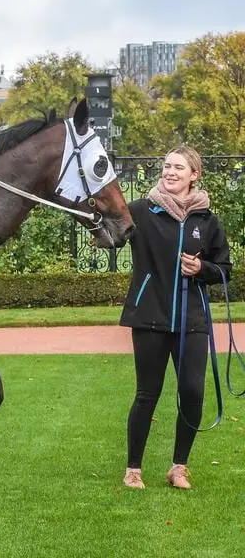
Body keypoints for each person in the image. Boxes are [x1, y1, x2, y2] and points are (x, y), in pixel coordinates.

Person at [119, 146, 232, 490]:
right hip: (150, 317)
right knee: (147, 394)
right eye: (167, 166)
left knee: (193, 391)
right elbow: (109, 232)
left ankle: (178, 467)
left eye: (178, 167)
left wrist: (202, 268)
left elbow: (224, 270)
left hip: (193, 321)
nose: (170, 172)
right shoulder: (140, 210)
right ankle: (133, 469)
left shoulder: (207, 221)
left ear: (194, 175)